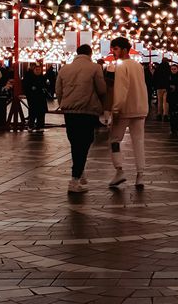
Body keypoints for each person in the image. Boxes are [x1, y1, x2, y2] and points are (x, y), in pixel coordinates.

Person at [56, 44, 107, 193]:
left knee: (75, 143)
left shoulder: (64, 69)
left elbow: (58, 90)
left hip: (69, 112)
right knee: (85, 143)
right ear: (90, 54)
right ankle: (75, 179)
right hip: (87, 111)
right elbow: (102, 89)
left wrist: (64, 104)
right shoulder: (95, 68)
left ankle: (80, 171)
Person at [108, 36, 149, 188]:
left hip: (125, 110)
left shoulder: (121, 66)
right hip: (140, 108)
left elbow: (121, 89)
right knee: (138, 142)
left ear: (124, 50)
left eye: (116, 49)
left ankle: (119, 170)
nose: (114, 52)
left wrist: (116, 108)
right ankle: (140, 175)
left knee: (114, 139)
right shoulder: (138, 66)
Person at [23, 62, 49, 130]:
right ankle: (31, 125)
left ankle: (40, 126)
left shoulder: (43, 78)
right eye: (36, 70)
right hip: (33, 98)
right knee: (33, 113)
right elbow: (26, 88)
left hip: (41, 98)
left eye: (39, 70)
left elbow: (46, 86)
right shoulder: (30, 78)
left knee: (41, 113)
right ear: (34, 70)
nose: (38, 71)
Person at [167, 61, 178, 135]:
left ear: (177, 69)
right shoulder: (168, 77)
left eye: (174, 69)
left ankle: (177, 128)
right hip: (171, 98)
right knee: (172, 114)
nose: (173, 70)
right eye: (172, 69)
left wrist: (176, 87)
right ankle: (173, 128)